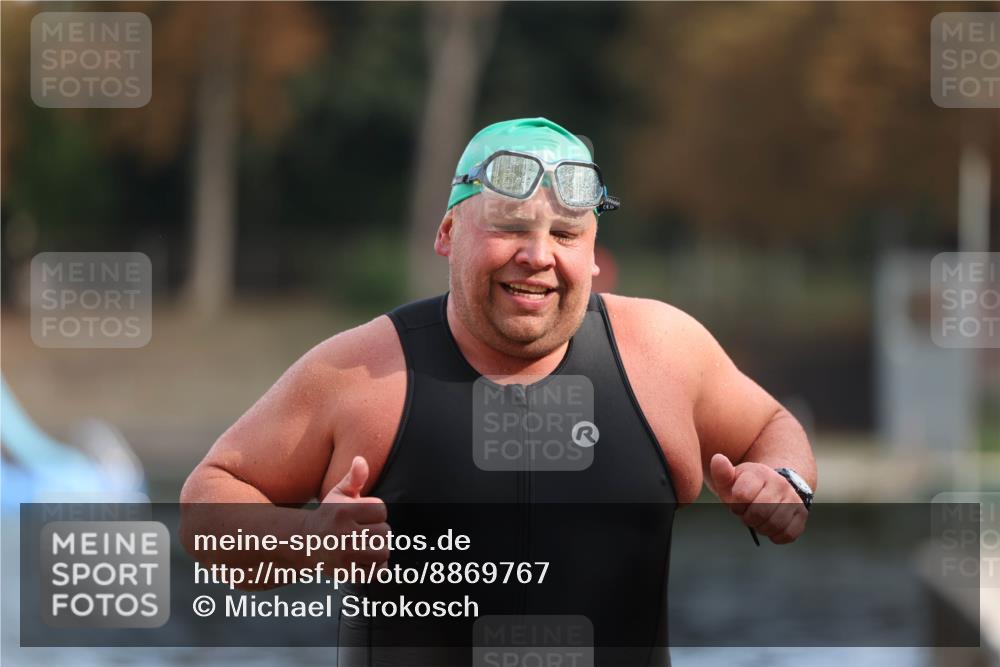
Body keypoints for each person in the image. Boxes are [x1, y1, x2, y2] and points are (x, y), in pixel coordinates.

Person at [181, 117, 817, 665]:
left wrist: (786, 480)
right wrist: (309, 544)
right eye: (511, 227)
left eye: (566, 235)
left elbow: (771, 428)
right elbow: (207, 500)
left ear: (593, 253)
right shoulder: (362, 374)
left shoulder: (665, 355)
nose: (538, 255)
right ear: (449, 235)